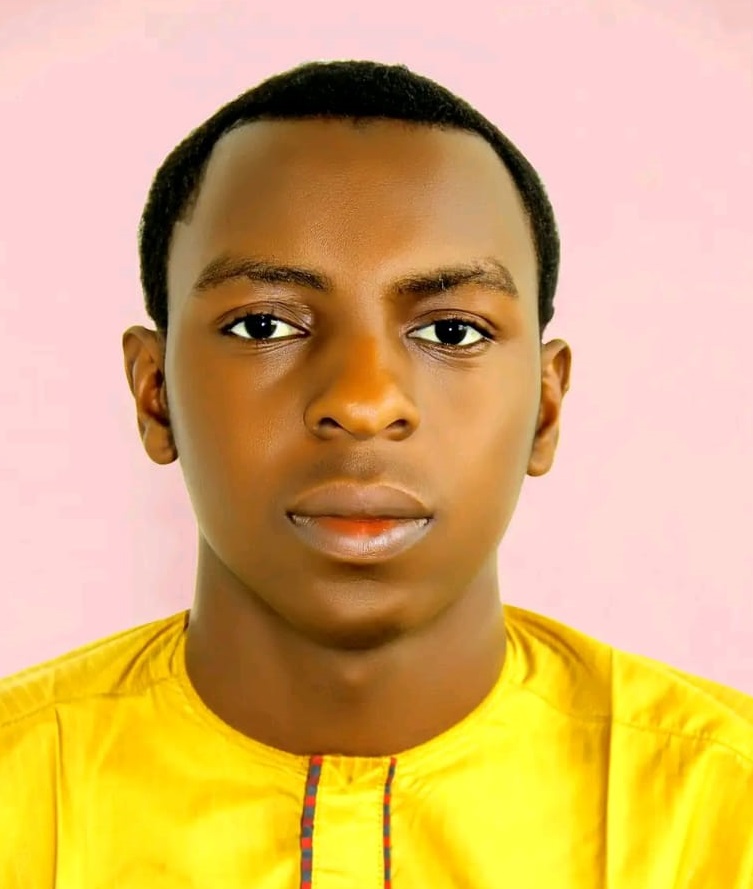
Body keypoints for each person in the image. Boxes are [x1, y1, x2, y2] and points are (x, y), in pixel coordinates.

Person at [1, 59, 751, 889]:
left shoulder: (725, 806)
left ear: (544, 407)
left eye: (452, 332)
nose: (363, 402)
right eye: (263, 325)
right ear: (155, 394)